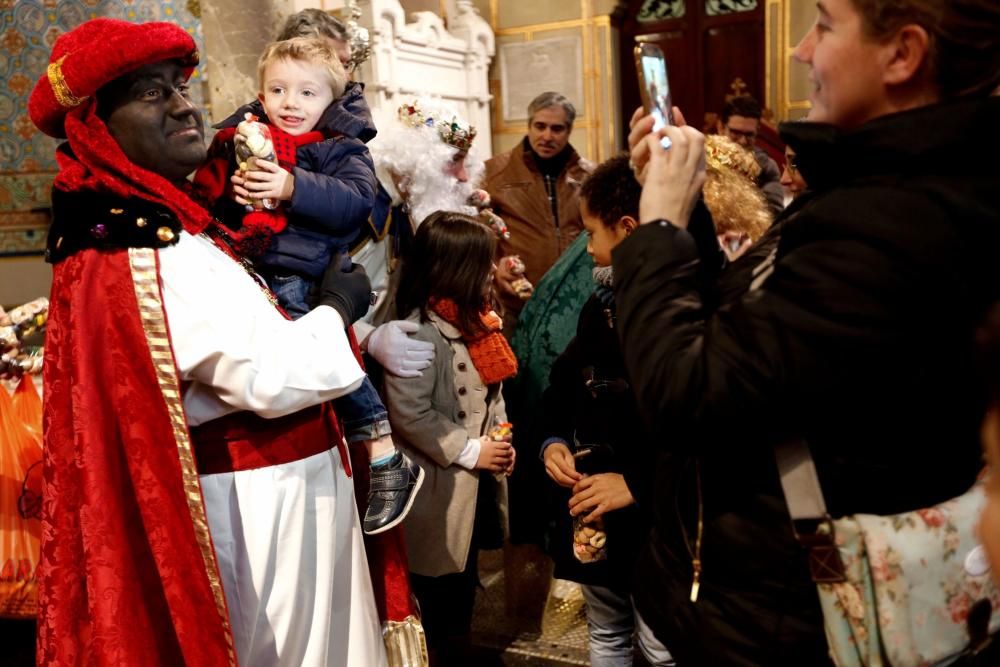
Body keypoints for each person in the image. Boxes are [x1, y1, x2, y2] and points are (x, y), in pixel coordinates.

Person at [620, 0, 1000, 664]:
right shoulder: (877, 193)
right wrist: (686, 211)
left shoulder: (895, 225)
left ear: (902, 55)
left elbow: (684, 394)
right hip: (762, 603)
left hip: (782, 623)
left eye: (823, 24)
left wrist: (657, 231)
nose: (800, 50)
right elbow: (755, 340)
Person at [29, 19, 388, 665]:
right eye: (149, 93)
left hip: (283, 499)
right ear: (96, 132)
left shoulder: (169, 232)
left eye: (178, 85)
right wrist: (339, 305)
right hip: (262, 515)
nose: (182, 104)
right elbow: (273, 374)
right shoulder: (147, 252)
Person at [194, 37, 422, 535]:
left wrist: (292, 185)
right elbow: (219, 200)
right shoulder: (248, 137)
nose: (290, 103)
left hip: (304, 275)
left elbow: (355, 203)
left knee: (321, 351)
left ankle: (383, 450)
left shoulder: (341, 147)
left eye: (306, 93)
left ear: (331, 101)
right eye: (277, 90)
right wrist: (236, 194)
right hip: (250, 266)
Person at [381, 212, 516, 665]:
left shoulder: (478, 326)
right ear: (456, 269)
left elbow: (491, 394)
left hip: (472, 487)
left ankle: (458, 645)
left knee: (464, 580)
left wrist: (500, 438)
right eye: (484, 264)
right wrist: (472, 449)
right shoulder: (420, 332)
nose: (491, 273)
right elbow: (410, 413)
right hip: (438, 493)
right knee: (436, 590)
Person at [484, 91, 593, 338]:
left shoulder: (590, 176)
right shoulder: (494, 173)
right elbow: (479, 236)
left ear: (569, 130)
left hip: (575, 303)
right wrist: (494, 270)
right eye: (540, 126)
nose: (547, 136)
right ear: (529, 125)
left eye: (557, 129)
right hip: (516, 303)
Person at [717, 94, 784, 216]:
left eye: (749, 135)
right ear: (721, 127)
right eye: (735, 133)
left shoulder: (766, 167)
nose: (742, 141)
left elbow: (772, 215)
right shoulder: (700, 162)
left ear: (757, 132)